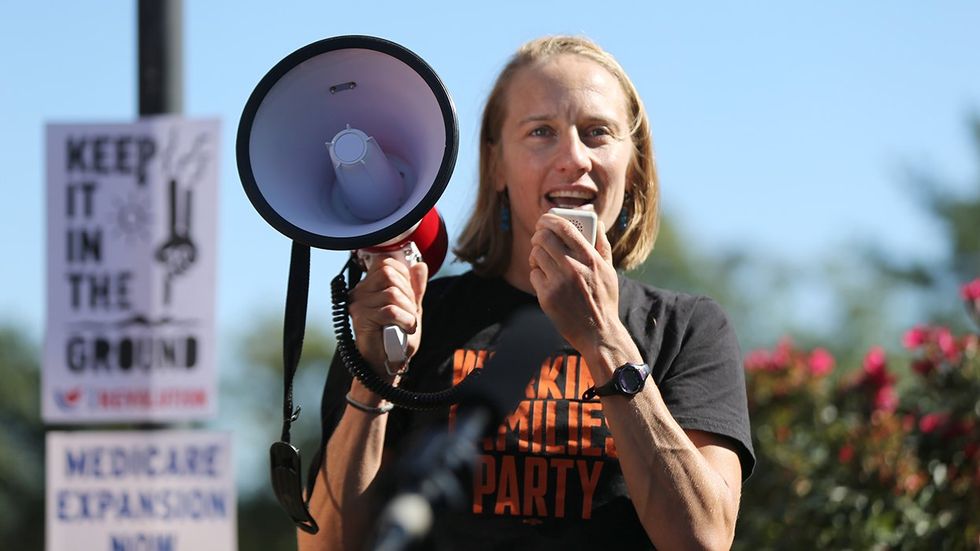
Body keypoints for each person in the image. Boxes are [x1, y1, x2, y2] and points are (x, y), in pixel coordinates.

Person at [299, 35, 755, 551]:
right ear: (495, 165)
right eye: (541, 132)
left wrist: (605, 338)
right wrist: (374, 378)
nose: (573, 158)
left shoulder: (686, 328)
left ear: (634, 166)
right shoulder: (415, 320)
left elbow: (704, 539)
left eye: (597, 133)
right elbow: (327, 545)